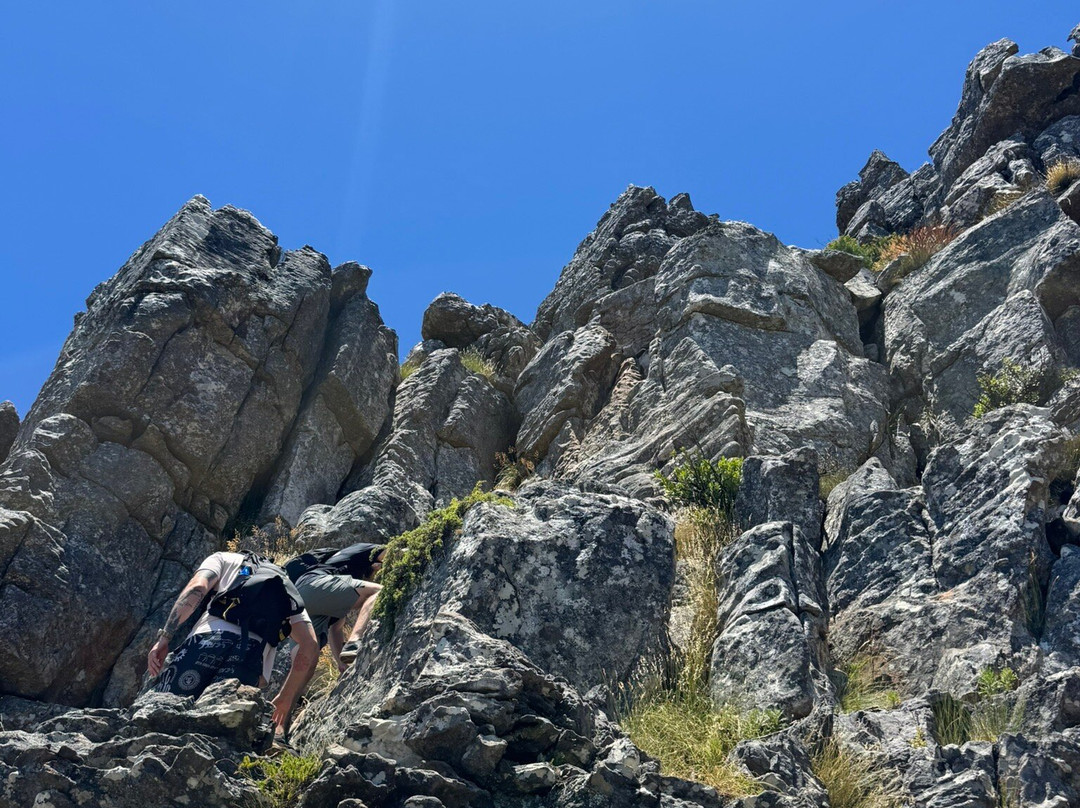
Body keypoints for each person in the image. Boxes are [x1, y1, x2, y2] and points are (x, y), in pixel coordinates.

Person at [146, 550, 320, 732]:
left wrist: (165, 637)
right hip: (250, 659)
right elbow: (310, 645)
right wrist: (285, 697)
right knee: (216, 734)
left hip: (207, 641)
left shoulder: (224, 558)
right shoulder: (285, 586)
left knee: (162, 716)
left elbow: (196, 589)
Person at [288, 542, 386, 671]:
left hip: (296, 602)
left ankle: (290, 691)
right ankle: (355, 639)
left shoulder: (340, 587)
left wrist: (342, 663)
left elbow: (335, 629)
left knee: (304, 664)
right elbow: (393, 551)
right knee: (379, 591)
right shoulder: (364, 548)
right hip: (313, 583)